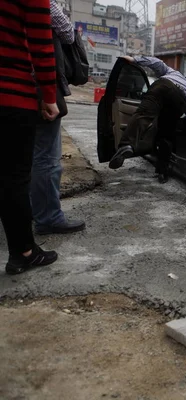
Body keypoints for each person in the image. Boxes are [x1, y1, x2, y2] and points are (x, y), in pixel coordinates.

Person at [1, 0, 60, 275]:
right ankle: (23, 252)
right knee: (14, 178)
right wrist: (49, 96)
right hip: (11, 95)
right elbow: (41, 41)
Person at [30, 0, 86, 235]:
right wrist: (49, 95)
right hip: (38, 88)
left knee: (24, 157)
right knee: (46, 159)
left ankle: (28, 212)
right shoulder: (42, 4)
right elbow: (65, 31)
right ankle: (48, 218)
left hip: (13, 91)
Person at [108, 56, 186, 184]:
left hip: (164, 86)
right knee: (166, 136)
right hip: (181, 98)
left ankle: (126, 145)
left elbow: (156, 63)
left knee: (143, 114)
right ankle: (162, 172)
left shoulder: (171, 72)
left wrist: (134, 60)